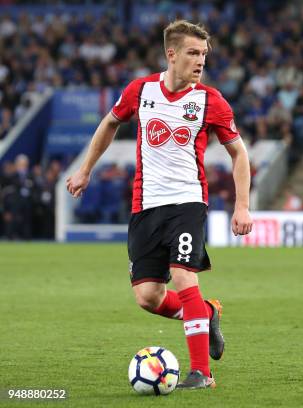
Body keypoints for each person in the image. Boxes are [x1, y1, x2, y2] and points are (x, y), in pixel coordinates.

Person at [66, 20, 253, 390]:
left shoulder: (211, 100)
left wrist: (242, 206)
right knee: (148, 297)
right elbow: (108, 124)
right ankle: (207, 313)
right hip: (145, 204)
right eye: (192, 53)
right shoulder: (141, 90)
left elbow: (239, 154)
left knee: (184, 277)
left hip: (187, 201)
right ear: (172, 54)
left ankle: (202, 373)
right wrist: (85, 170)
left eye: (204, 54)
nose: (200, 61)